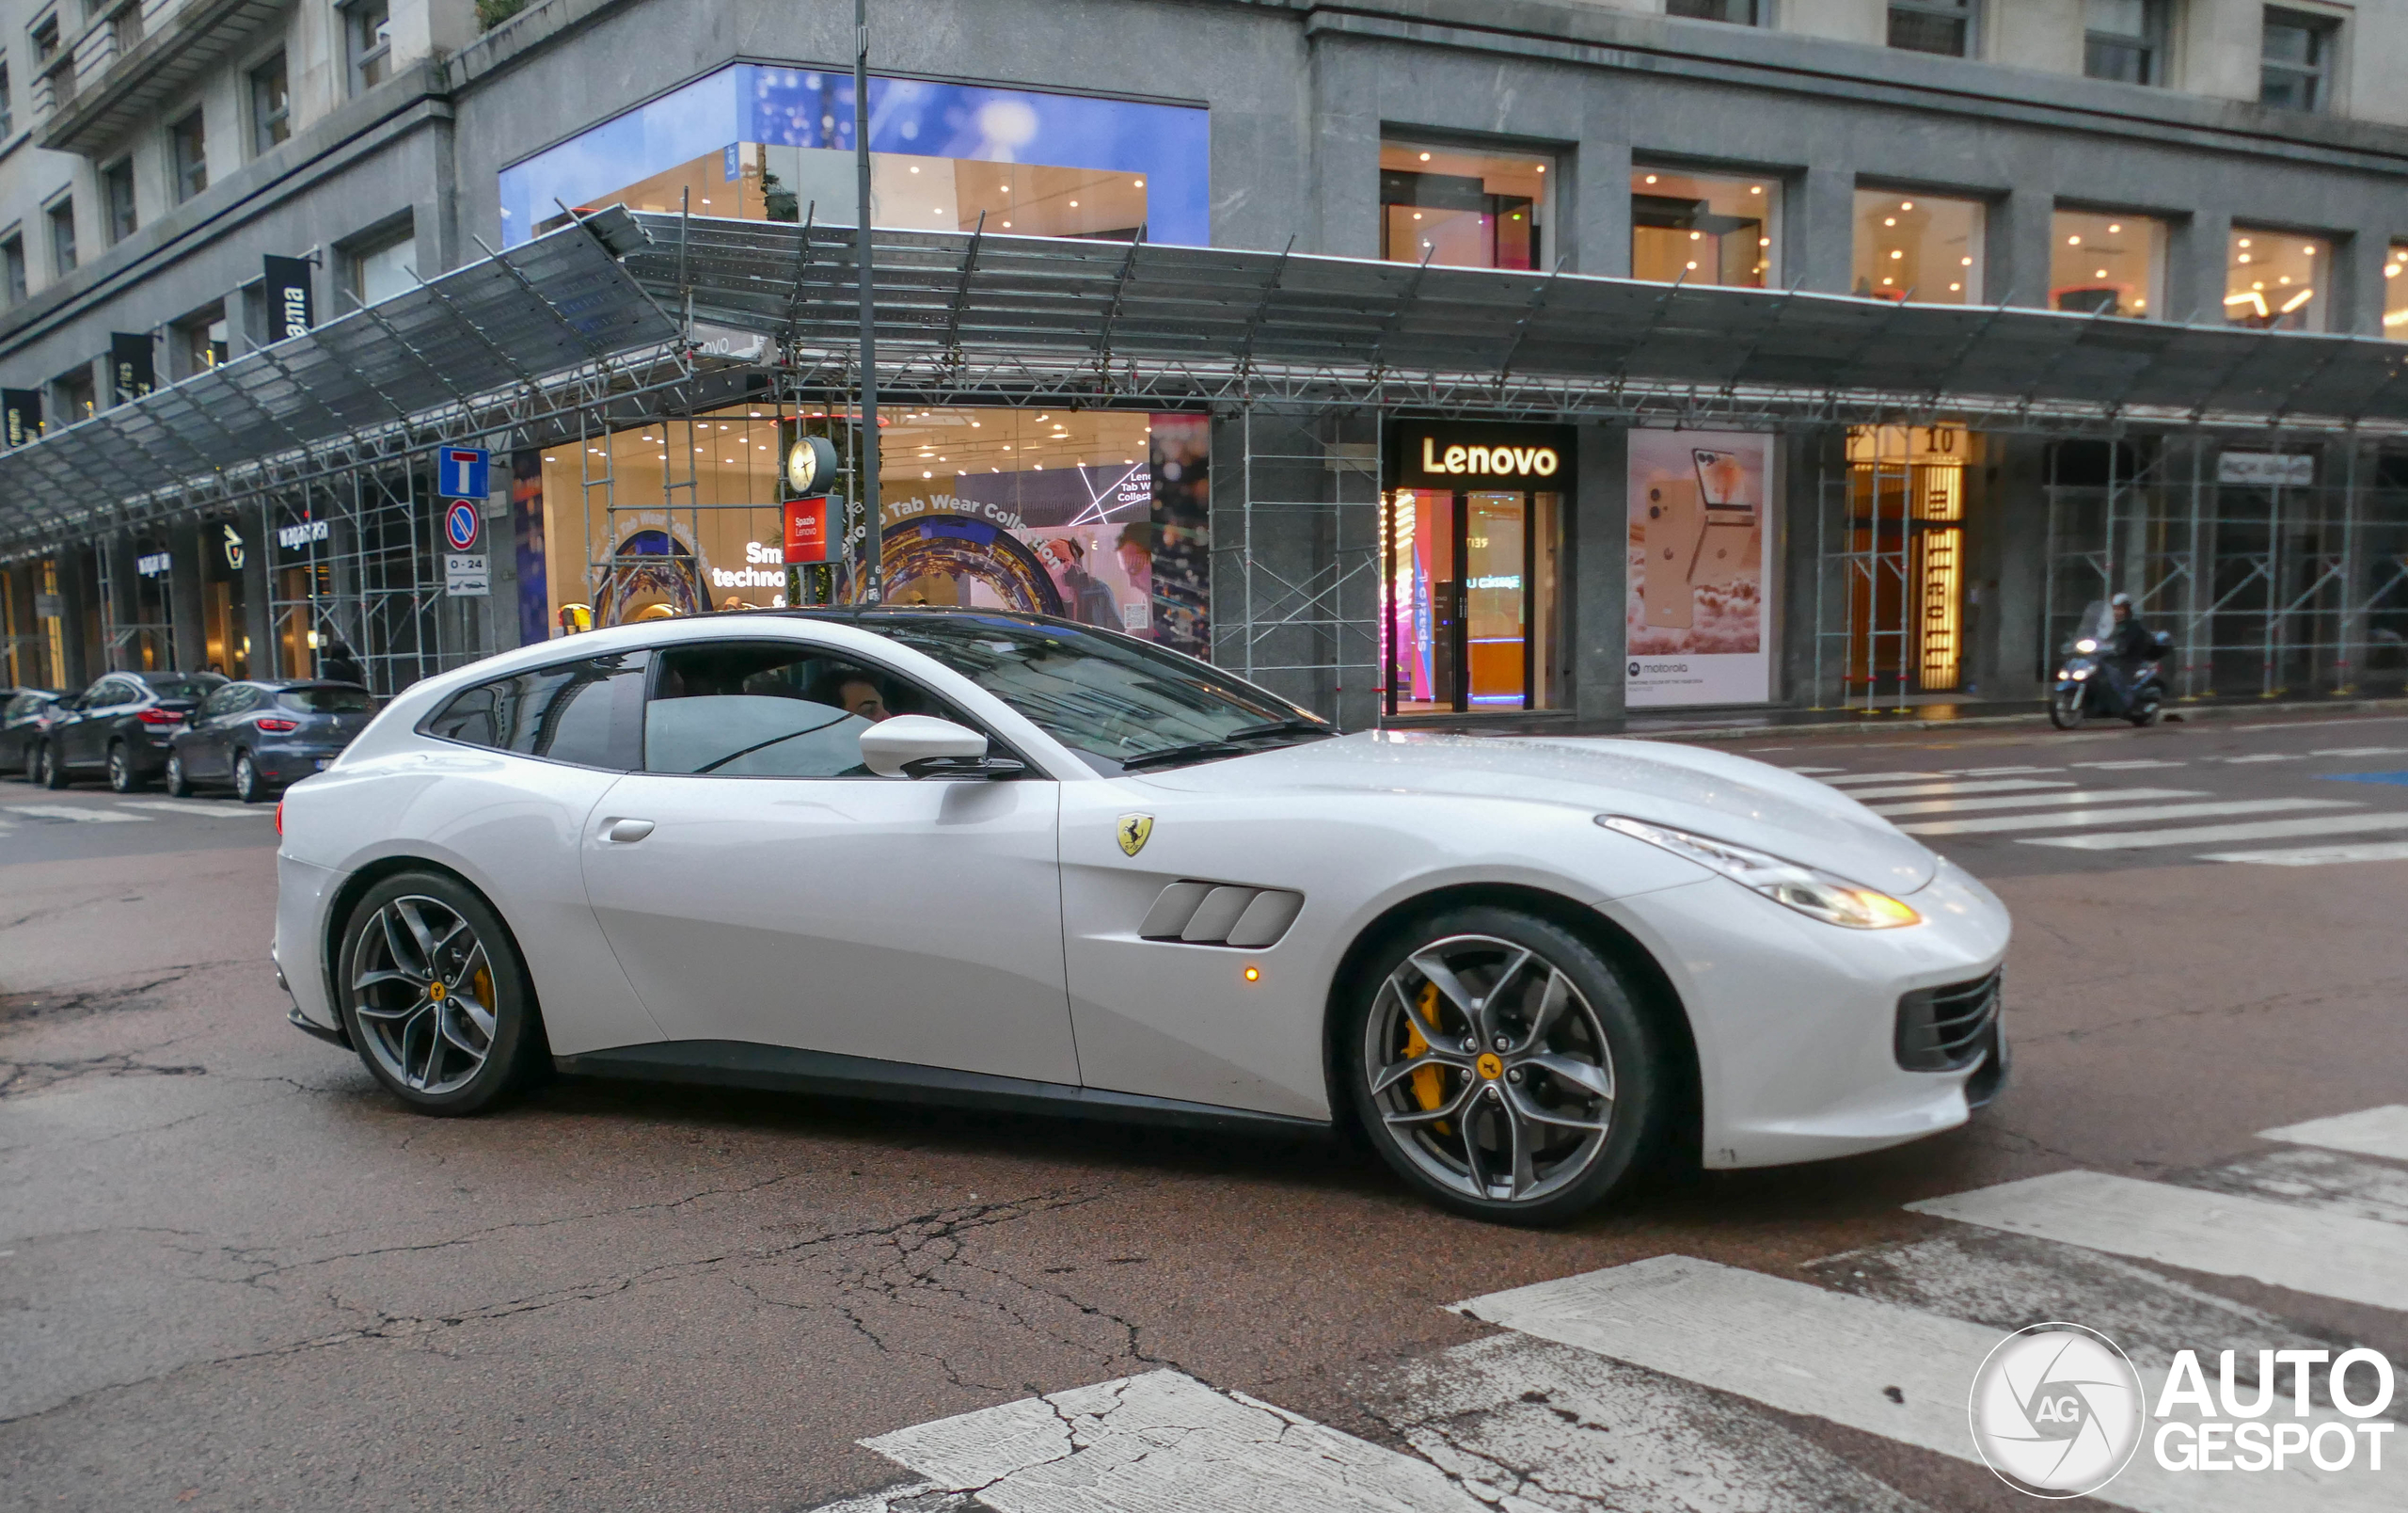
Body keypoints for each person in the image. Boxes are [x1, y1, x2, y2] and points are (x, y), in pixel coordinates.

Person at [2099, 594, 2154, 714]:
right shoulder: (2109, 626)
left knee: (2114, 675)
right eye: (2114, 608)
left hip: (2129, 661)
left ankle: (2128, 703)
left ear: (2127, 610)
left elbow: (2128, 642)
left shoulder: (2133, 625)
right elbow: (2098, 637)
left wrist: (2120, 647)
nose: (2117, 612)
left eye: (2120, 609)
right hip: (2112, 659)